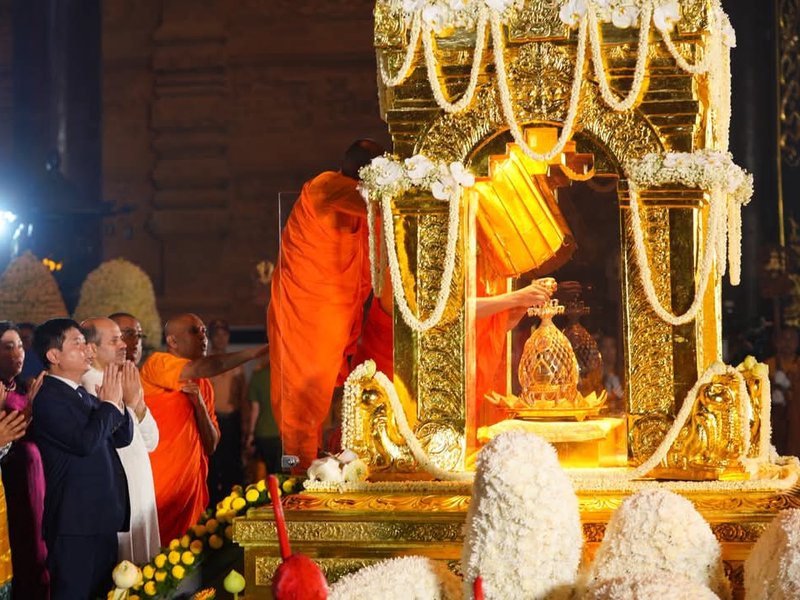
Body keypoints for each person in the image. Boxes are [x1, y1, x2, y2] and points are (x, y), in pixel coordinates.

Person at [268, 139, 384, 470]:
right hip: (307, 309)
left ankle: (322, 462)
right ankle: (300, 470)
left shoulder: (352, 196)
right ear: (365, 173)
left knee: (327, 389)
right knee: (305, 389)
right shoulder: (327, 184)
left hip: (335, 308)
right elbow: (375, 201)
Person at [140, 313, 267, 544]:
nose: (203, 337)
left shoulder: (204, 385)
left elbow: (211, 444)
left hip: (188, 487)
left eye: (204, 332)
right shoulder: (157, 364)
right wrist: (252, 353)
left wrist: (199, 405)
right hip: (158, 484)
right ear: (172, 342)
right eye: (194, 331)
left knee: (187, 552)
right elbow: (212, 365)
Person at [31, 318, 132, 600]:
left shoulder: (80, 394)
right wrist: (109, 405)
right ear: (54, 356)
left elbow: (120, 438)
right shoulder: (49, 398)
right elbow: (84, 442)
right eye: (76, 343)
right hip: (73, 524)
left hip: (99, 519)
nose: (87, 349)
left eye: (86, 343)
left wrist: (118, 401)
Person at [81, 317, 161, 564]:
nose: (123, 345)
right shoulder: (87, 385)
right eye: (114, 340)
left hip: (140, 487)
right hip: (118, 492)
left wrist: (136, 403)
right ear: (92, 349)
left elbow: (151, 442)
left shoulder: (124, 378)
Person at [0, 321, 48, 599]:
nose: (17, 353)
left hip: (33, 482)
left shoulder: (22, 390)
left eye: (19, 345)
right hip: (10, 485)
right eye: (7, 347)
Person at [206, 319, 247, 505]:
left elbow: (242, 394)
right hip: (212, 421)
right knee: (213, 466)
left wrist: (245, 426)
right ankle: (212, 508)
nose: (221, 339)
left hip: (232, 420)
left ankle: (233, 505)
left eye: (224, 334)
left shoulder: (235, 363)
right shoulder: (206, 363)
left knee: (233, 465)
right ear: (211, 337)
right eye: (217, 335)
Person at [245, 352, 281, 476]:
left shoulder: (257, 377)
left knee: (270, 472)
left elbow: (255, 409)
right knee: (287, 469)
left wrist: (250, 435)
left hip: (264, 434)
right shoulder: (287, 377)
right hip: (285, 435)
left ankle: (273, 493)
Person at [766, 327, 800, 457]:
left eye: (791, 339)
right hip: (775, 421)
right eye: (783, 339)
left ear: (797, 342)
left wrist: (789, 387)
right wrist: (772, 388)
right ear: (776, 342)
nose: (787, 342)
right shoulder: (768, 365)